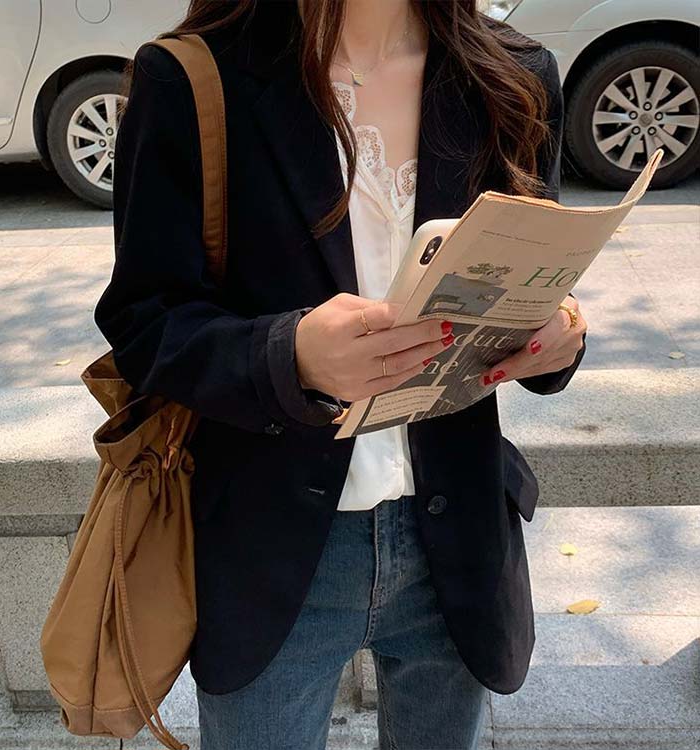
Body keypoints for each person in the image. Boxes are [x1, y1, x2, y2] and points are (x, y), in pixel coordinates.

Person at [94, 1, 588, 748]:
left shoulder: (513, 75)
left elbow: (540, 277)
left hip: (459, 544)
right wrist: (287, 355)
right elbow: (144, 321)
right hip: (269, 545)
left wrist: (561, 333)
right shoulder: (194, 79)